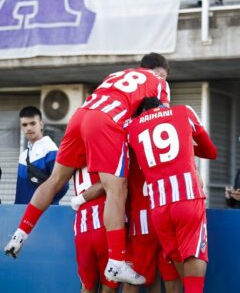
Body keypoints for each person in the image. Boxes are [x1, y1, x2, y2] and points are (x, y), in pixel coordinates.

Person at [4, 53, 170, 285]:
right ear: (160, 72)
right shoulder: (159, 82)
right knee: (117, 188)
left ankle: (19, 234)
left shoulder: (115, 75)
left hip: (80, 116)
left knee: (54, 179)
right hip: (106, 122)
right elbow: (159, 120)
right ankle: (116, 261)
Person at [126, 97, 217, 293]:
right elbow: (211, 151)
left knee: (176, 258)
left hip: (158, 207)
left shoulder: (132, 127)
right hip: (187, 197)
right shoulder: (184, 111)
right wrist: (186, 145)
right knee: (194, 254)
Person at [122, 152, 182, 293]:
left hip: (141, 223)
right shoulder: (171, 151)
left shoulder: (129, 150)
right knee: (171, 279)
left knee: (134, 278)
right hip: (166, 219)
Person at [71, 167, 118, 293]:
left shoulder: (74, 157)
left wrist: (77, 200)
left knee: (87, 286)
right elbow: (110, 179)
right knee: (109, 284)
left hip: (82, 225)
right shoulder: (102, 150)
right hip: (106, 223)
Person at [14, 106, 68, 204]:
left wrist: (42, 206)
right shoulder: (23, 155)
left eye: (32, 123)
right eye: (25, 124)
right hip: (21, 212)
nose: (29, 128)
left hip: (44, 214)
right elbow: (20, 190)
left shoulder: (51, 150)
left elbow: (62, 186)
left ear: (41, 124)